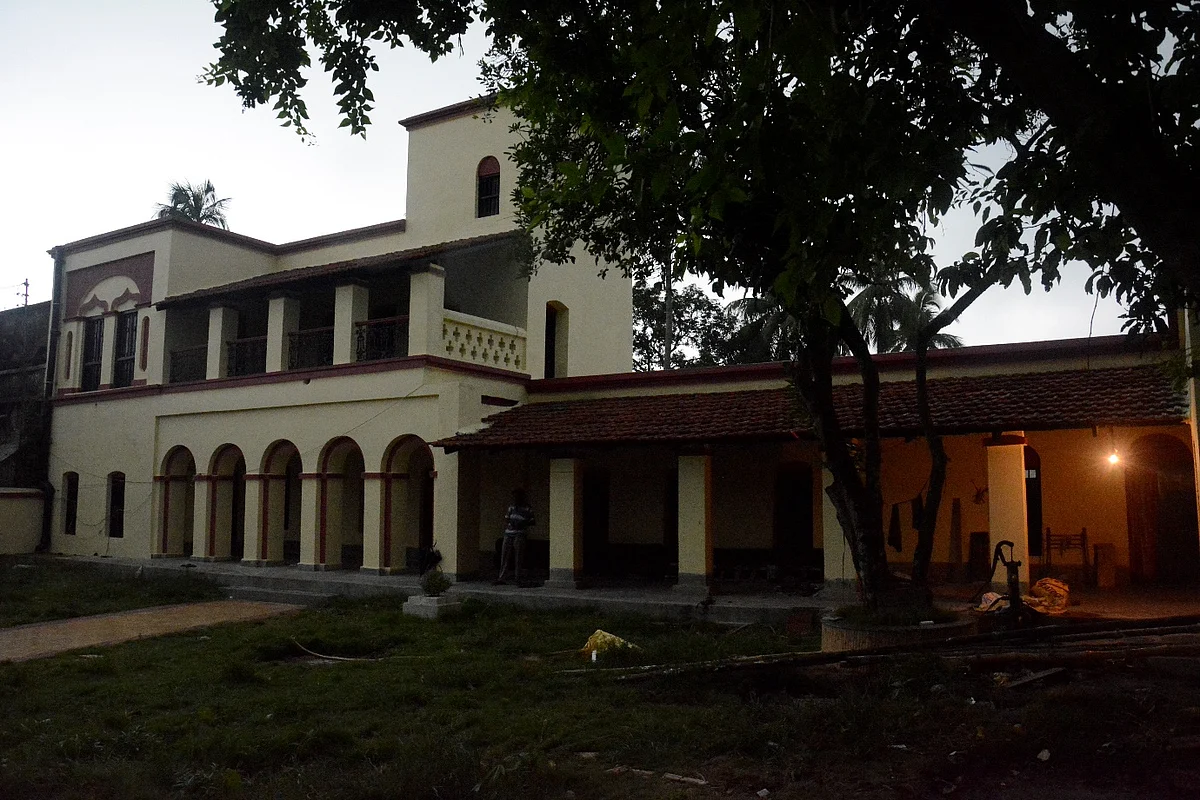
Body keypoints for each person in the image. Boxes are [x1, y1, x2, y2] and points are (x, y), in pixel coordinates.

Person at [495, 488, 534, 585]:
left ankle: (518, 578)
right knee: (504, 556)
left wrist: (522, 523)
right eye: (514, 497)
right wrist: (511, 522)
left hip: (520, 534)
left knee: (518, 556)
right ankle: (501, 578)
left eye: (517, 496)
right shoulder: (511, 507)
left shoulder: (527, 508)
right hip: (508, 533)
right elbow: (506, 518)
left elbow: (532, 521)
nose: (515, 499)